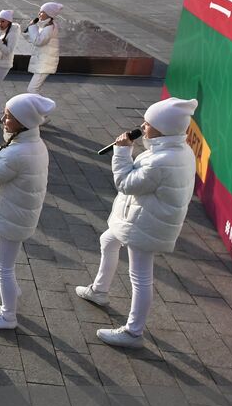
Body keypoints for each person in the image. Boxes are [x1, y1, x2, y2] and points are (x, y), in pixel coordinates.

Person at [76, 97, 199, 348]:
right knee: (108, 240)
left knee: (141, 276)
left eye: (148, 124)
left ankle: (133, 333)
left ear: (163, 129)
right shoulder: (174, 150)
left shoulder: (161, 160)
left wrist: (121, 152)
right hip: (142, 218)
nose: (143, 127)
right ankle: (99, 291)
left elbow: (126, 183)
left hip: (147, 224)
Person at [0, 93, 54, 330]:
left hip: (12, 216)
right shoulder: (28, 143)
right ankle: (9, 286)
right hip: (11, 211)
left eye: (8, 117)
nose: (3, 120)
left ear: (23, 121)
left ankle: (8, 316)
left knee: (5, 267)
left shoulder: (18, 152)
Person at [26, 2, 62, 94]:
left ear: (49, 14)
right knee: (36, 90)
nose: (39, 14)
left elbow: (38, 41)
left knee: (32, 89)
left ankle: (43, 107)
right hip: (43, 62)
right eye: (40, 11)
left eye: (42, 12)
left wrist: (32, 27)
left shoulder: (49, 28)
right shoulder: (47, 25)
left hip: (45, 63)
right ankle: (41, 107)